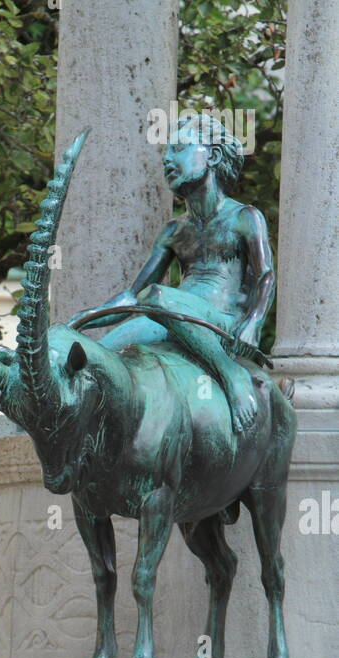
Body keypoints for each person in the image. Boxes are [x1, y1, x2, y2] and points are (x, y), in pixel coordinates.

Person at [70, 114, 275, 433]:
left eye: (179, 148)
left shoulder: (245, 217)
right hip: (168, 318)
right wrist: (78, 323)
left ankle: (230, 375)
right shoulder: (173, 230)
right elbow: (130, 296)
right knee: (93, 355)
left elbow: (266, 276)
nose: (167, 158)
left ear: (213, 156)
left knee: (156, 297)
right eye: (166, 152)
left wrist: (254, 322)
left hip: (219, 324)